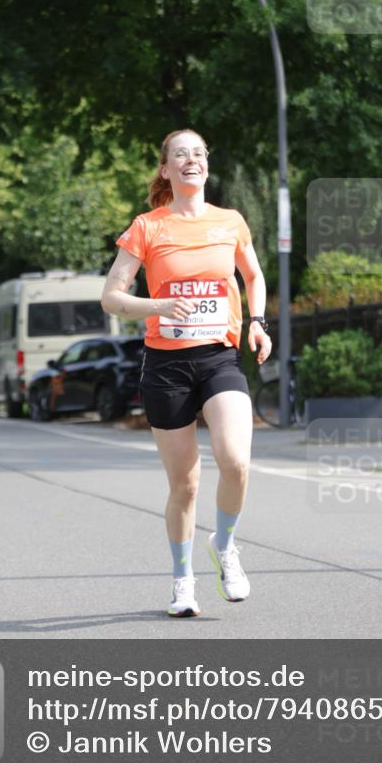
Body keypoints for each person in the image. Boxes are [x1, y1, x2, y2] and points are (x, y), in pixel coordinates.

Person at [101, 128, 272, 617]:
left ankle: (226, 544)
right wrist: (158, 305)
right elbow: (111, 296)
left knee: (236, 460)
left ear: (206, 165)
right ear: (166, 169)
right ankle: (182, 581)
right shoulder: (147, 227)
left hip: (219, 356)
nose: (191, 160)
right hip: (166, 365)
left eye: (199, 153)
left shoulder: (230, 221)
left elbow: (254, 276)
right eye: (181, 154)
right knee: (186, 485)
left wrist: (257, 324)